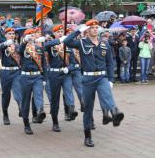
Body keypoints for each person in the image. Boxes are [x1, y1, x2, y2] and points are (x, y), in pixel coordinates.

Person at [64, 19, 124, 147]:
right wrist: (78, 30)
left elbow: (110, 62)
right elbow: (67, 42)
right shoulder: (81, 43)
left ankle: (114, 112)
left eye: (96, 27)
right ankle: (87, 136)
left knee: (106, 94)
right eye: (92, 28)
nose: (95, 29)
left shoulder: (104, 44)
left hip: (101, 76)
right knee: (88, 108)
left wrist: (111, 79)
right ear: (87, 30)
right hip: (87, 79)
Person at [44, 24, 78, 132]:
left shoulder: (68, 46)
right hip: (54, 74)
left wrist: (69, 68)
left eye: (61, 32)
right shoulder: (52, 45)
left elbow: (74, 62)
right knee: (55, 99)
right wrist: (59, 41)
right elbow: (45, 46)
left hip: (65, 74)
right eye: (58, 32)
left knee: (68, 91)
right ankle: (55, 122)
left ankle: (71, 110)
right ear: (54, 34)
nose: (60, 33)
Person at [19, 28, 46, 134]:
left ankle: (40, 111)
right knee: (26, 101)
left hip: (37, 76)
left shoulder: (39, 48)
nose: (31, 36)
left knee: (38, 94)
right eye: (29, 35)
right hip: (25, 77)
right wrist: (25, 41)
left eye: (33, 35)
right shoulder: (23, 47)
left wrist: (44, 78)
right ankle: (26, 124)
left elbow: (44, 64)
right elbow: (19, 51)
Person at [0, 28, 22, 125]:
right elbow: (0, 48)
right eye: (9, 33)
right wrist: (6, 43)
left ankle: (21, 107)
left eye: (13, 34)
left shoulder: (17, 46)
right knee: (6, 95)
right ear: (5, 35)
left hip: (16, 71)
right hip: (6, 72)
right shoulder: (4, 45)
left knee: (18, 90)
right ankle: (5, 114)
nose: (12, 35)